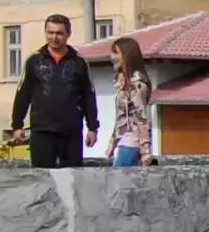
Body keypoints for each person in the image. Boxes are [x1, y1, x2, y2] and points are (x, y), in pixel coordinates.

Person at [8, 13, 98, 169]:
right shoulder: (34, 61)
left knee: (72, 181)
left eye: (59, 33)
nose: (54, 37)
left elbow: (88, 97)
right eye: (50, 33)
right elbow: (23, 94)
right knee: (42, 180)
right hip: (42, 131)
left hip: (70, 132)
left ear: (68, 34)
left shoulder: (79, 62)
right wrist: (17, 125)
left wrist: (92, 127)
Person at [105, 37, 152, 169]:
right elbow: (121, 118)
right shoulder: (124, 83)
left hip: (131, 141)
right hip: (124, 141)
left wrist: (145, 151)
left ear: (126, 55)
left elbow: (141, 116)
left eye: (116, 53)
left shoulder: (137, 84)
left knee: (119, 183)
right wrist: (112, 144)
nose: (112, 57)